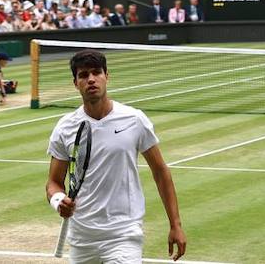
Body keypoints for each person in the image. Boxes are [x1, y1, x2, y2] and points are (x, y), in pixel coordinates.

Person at [46, 48, 186, 264]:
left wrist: (175, 225)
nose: (91, 79)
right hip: (82, 238)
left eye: (96, 73)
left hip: (123, 234)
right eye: (83, 75)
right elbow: (54, 182)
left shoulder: (134, 119)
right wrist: (58, 201)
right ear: (76, 83)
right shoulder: (65, 127)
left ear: (106, 76)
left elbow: (160, 172)